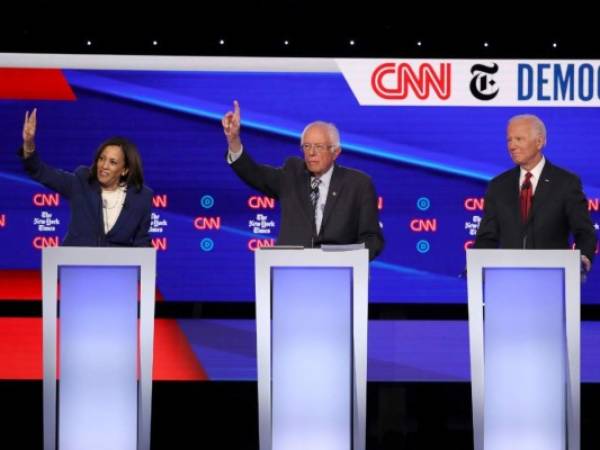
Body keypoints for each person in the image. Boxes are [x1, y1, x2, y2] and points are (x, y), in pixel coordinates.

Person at [222, 101, 384, 260]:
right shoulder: (292, 174)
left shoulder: (358, 184)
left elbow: (372, 239)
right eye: (306, 146)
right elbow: (254, 173)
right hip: (290, 272)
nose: (311, 153)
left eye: (319, 147)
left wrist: (347, 259)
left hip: (338, 275)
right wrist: (234, 140)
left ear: (336, 152)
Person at [474, 114, 597, 273]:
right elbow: (487, 237)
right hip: (508, 278)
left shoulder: (566, 183)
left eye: (519, 139)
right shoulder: (498, 185)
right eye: (509, 140)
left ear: (539, 142)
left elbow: (584, 232)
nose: (512, 146)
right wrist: (476, 264)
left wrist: (584, 256)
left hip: (554, 276)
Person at [20, 108, 153, 247]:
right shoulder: (81, 182)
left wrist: (147, 266)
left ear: (125, 170)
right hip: (75, 264)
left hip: (116, 267)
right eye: (102, 159)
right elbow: (40, 171)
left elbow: (142, 243)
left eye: (112, 162)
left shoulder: (141, 197)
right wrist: (29, 144)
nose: (104, 166)